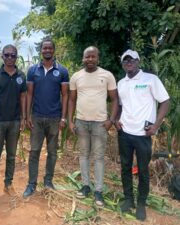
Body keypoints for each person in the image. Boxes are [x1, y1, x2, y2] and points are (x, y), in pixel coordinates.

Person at [116, 49, 169, 221]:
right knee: (125, 167)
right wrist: (116, 119)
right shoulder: (121, 83)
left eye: (132, 60)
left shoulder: (150, 79)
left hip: (143, 134)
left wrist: (156, 125)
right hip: (125, 132)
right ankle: (129, 200)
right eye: (125, 60)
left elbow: (165, 102)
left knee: (143, 170)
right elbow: (121, 105)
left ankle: (140, 204)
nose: (128, 63)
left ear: (138, 61)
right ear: (123, 63)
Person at [68, 46, 118, 207]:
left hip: (100, 123)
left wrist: (111, 120)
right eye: (87, 57)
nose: (90, 59)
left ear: (98, 58)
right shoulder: (76, 76)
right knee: (83, 155)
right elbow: (71, 100)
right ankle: (85, 186)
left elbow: (115, 100)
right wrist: (70, 120)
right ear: (83, 58)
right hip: (81, 122)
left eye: (93, 56)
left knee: (98, 157)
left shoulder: (107, 75)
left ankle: (98, 190)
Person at [23, 38, 69, 197]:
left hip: (55, 118)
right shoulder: (32, 70)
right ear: (41, 51)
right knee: (34, 151)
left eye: (50, 48)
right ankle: (31, 183)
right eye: (44, 48)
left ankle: (48, 181)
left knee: (52, 152)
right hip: (36, 117)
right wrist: (27, 115)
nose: (47, 50)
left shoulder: (62, 71)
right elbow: (29, 94)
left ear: (53, 51)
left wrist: (63, 118)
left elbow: (65, 96)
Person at [0, 44, 26, 201]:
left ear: (16, 57)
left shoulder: (21, 76)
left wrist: (23, 117)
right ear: (2, 56)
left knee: (11, 155)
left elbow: (23, 97)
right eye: (7, 55)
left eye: (13, 55)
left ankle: (8, 184)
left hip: (14, 121)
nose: (10, 58)